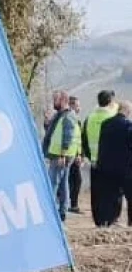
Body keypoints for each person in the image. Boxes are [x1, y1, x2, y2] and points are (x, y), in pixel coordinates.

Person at [42, 90, 80, 221]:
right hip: (58, 155)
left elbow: (67, 137)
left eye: (55, 99)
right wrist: (47, 123)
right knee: (63, 184)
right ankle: (62, 211)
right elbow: (53, 133)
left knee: (53, 183)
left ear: (63, 100)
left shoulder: (68, 116)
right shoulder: (60, 115)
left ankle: (50, 212)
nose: (54, 102)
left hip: (60, 156)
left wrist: (62, 155)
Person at [83, 90, 120, 226]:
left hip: (94, 162)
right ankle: (110, 219)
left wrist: (90, 156)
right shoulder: (112, 117)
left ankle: (99, 220)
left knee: (96, 193)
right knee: (111, 192)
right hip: (110, 162)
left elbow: (84, 140)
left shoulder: (90, 117)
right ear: (110, 101)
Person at [96, 101, 132, 226]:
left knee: (110, 195)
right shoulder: (128, 126)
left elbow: (101, 144)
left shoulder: (106, 124)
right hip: (125, 167)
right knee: (129, 195)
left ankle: (110, 220)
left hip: (106, 167)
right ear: (127, 111)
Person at [67, 96, 84, 215]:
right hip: (67, 156)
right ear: (71, 106)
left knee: (77, 180)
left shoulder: (77, 120)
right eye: (77, 105)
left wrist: (80, 155)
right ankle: (66, 205)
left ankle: (73, 205)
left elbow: (78, 140)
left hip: (75, 156)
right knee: (67, 181)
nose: (79, 108)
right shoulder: (67, 119)